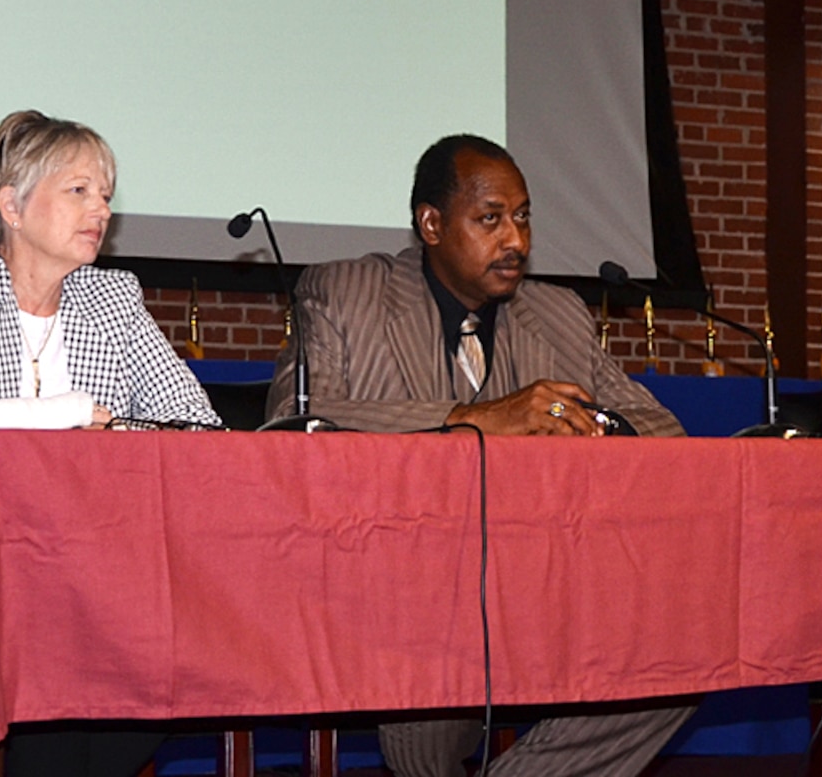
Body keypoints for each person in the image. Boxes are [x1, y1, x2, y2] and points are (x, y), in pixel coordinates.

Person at [268, 134, 692, 777]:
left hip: (543, 584)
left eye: (522, 217)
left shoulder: (557, 314)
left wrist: (585, 423)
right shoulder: (346, 293)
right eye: (490, 219)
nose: (515, 239)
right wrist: (469, 419)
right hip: (400, 585)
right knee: (440, 665)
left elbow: (660, 428)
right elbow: (295, 423)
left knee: (683, 654)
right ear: (432, 224)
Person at [0, 110, 220, 774]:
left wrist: (103, 431)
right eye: (79, 190)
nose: (101, 210)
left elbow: (196, 425)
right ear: (12, 205)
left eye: (107, 194)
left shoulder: (112, 297)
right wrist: (46, 416)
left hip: (100, 575)